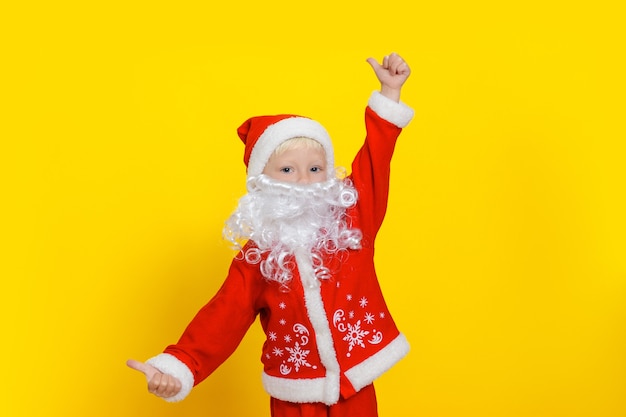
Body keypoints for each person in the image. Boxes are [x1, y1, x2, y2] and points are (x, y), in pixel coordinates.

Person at [128, 52, 415, 417]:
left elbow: (376, 157)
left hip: (356, 382)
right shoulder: (257, 257)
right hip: (294, 393)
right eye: (287, 169)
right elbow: (222, 318)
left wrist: (389, 95)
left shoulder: (351, 222)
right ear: (262, 183)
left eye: (315, 168)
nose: (304, 180)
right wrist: (178, 366)